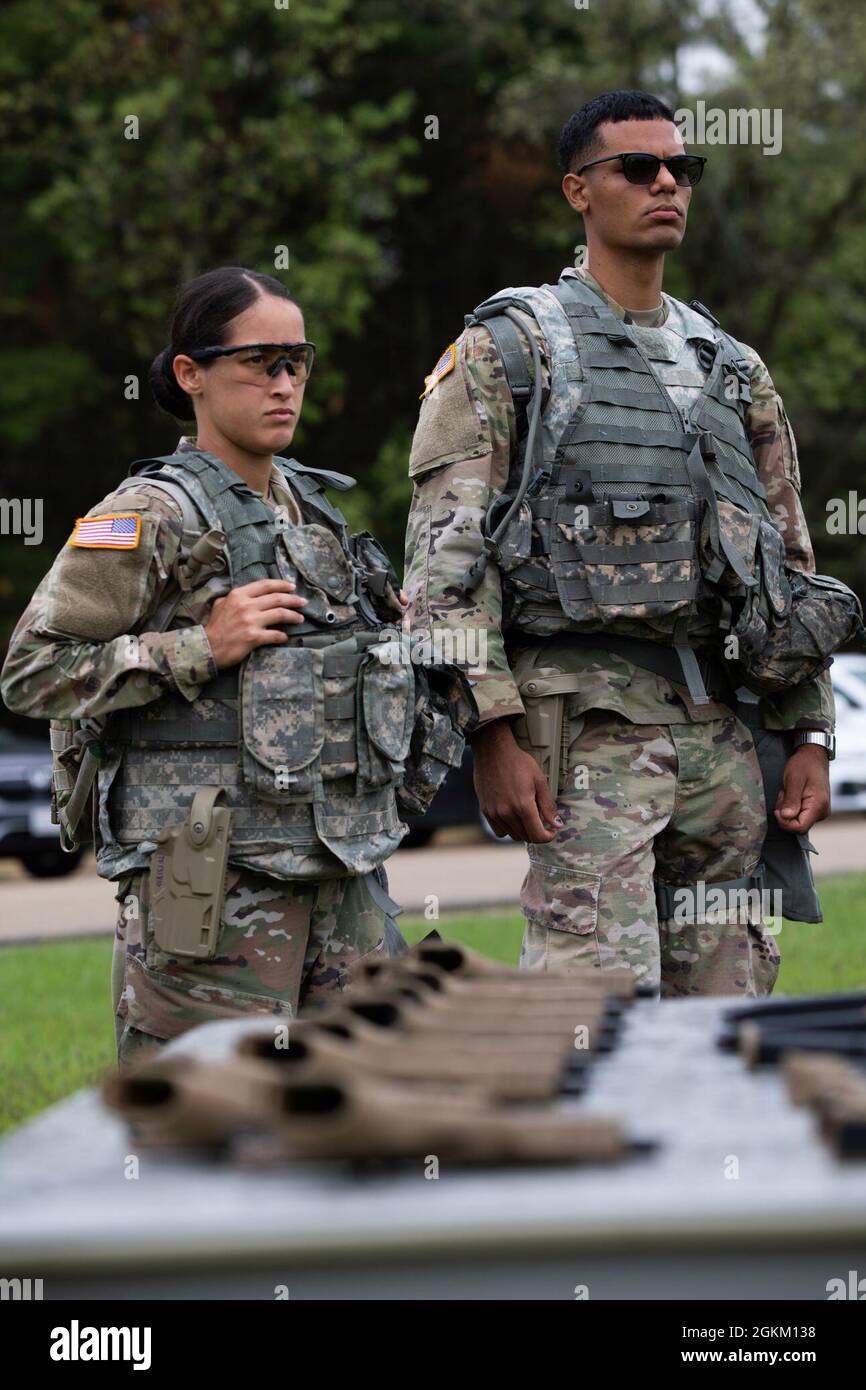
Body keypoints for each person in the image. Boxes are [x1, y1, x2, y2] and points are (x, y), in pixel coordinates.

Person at [403, 90, 846, 998]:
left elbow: (786, 566)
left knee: (725, 1021)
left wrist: (807, 730)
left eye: (682, 169)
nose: (666, 184)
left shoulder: (730, 364)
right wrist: (490, 732)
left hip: (720, 744)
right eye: (637, 168)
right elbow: (446, 564)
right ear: (578, 191)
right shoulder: (511, 348)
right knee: (593, 1011)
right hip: (582, 733)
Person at [1, 266, 451, 1065]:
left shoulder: (315, 510)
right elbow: (32, 669)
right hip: (211, 888)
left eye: (298, 362)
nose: (285, 384)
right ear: (191, 374)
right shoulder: (143, 515)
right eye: (261, 362)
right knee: (205, 1130)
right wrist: (198, 648)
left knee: (360, 1120)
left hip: (341, 872)